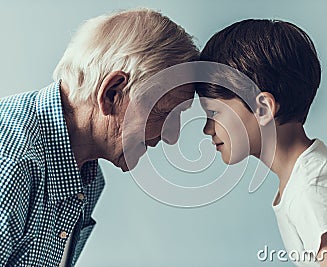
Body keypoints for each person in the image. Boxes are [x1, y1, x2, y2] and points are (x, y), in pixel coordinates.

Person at [0, 8, 198, 267]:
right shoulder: (13, 161)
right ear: (112, 94)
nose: (172, 137)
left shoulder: (88, 177)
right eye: (165, 113)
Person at [196, 19, 327, 266]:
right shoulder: (311, 176)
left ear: (262, 108)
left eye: (214, 113)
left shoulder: (310, 188)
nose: (207, 129)